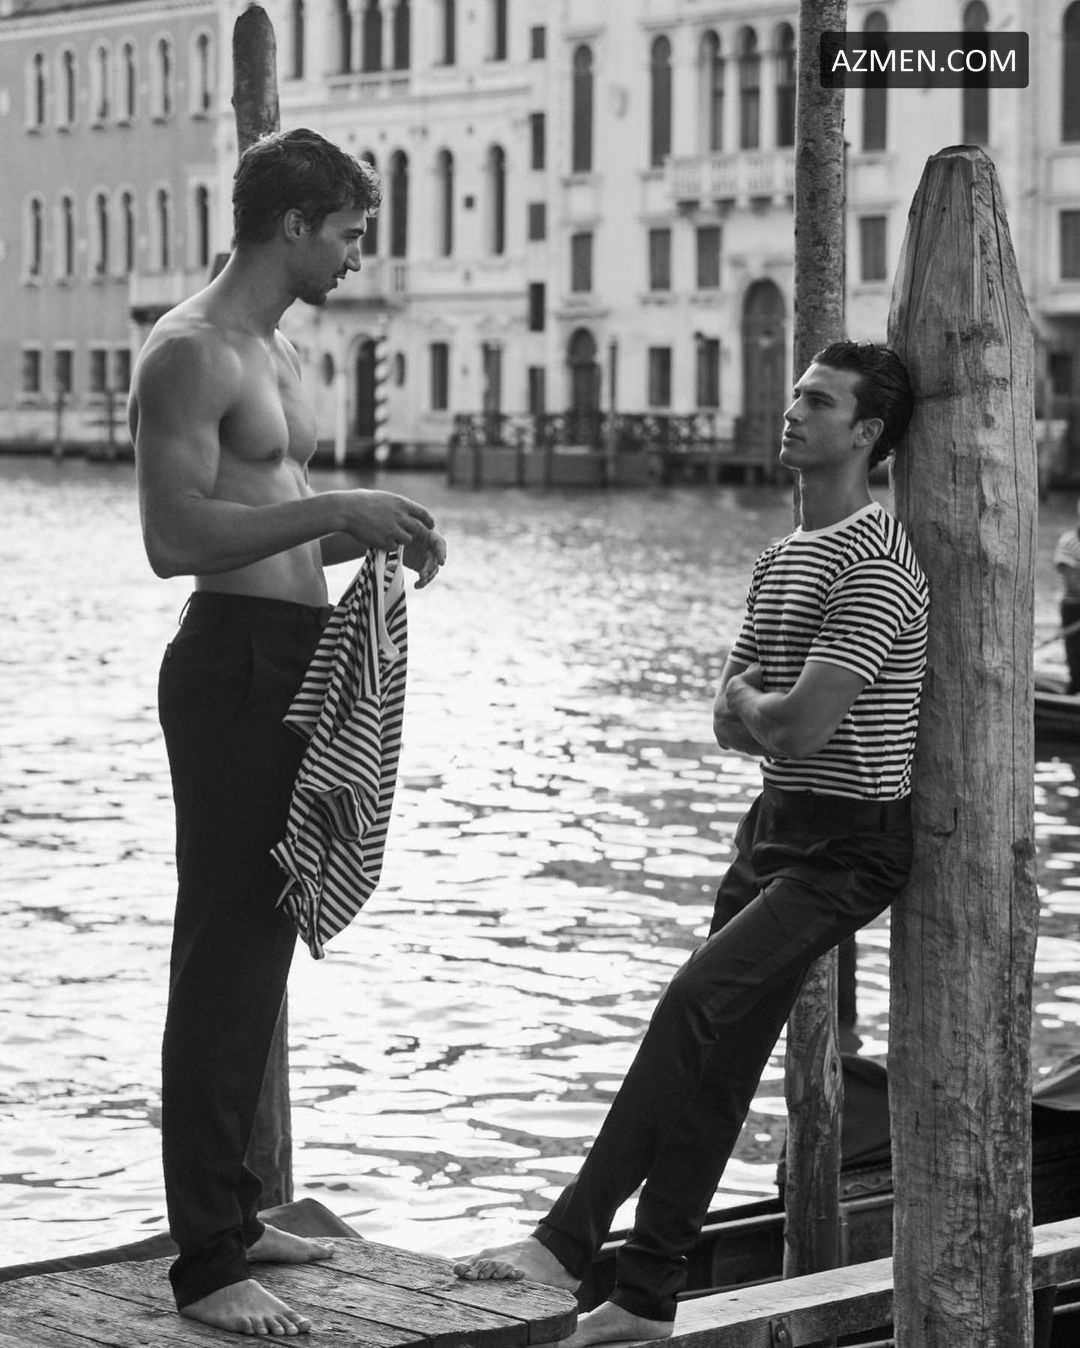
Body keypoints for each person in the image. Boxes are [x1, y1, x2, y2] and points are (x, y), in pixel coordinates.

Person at [454, 341, 928, 1347]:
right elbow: (731, 721)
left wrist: (759, 705)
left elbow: (796, 724)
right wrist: (763, 709)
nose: (792, 411)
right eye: (796, 394)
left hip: (852, 847)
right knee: (720, 1059)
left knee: (693, 1001)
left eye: (818, 401)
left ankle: (567, 1241)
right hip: (774, 827)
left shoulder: (880, 564)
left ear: (866, 433)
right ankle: (645, 1295)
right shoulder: (781, 557)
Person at [130, 127, 446, 1338]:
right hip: (231, 666)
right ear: (295, 225)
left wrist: (370, 536)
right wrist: (336, 507)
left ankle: (237, 1208)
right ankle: (206, 1264)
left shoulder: (284, 349)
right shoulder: (189, 351)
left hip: (298, 659)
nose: (357, 256)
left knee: (263, 948)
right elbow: (174, 539)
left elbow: (275, 519)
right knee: (220, 954)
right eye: (349, 233)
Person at [1053, 500, 1080, 694]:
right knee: (1077, 660)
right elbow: (1073, 585)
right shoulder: (1068, 542)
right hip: (1074, 608)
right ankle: (1074, 691)